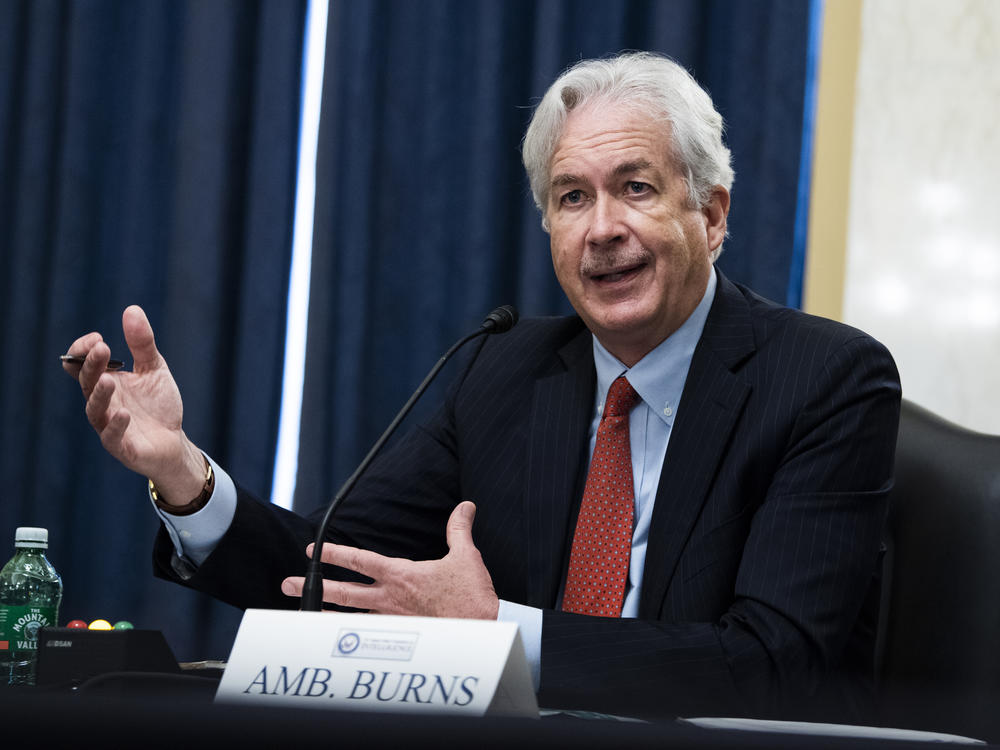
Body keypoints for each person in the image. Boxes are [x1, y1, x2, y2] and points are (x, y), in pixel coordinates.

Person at [63, 52, 901, 720]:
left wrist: (494, 633)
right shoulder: (508, 368)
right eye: (572, 198)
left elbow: (772, 665)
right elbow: (335, 575)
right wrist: (183, 477)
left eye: (635, 188)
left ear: (711, 216)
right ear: (548, 229)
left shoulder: (825, 380)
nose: (603, 229)